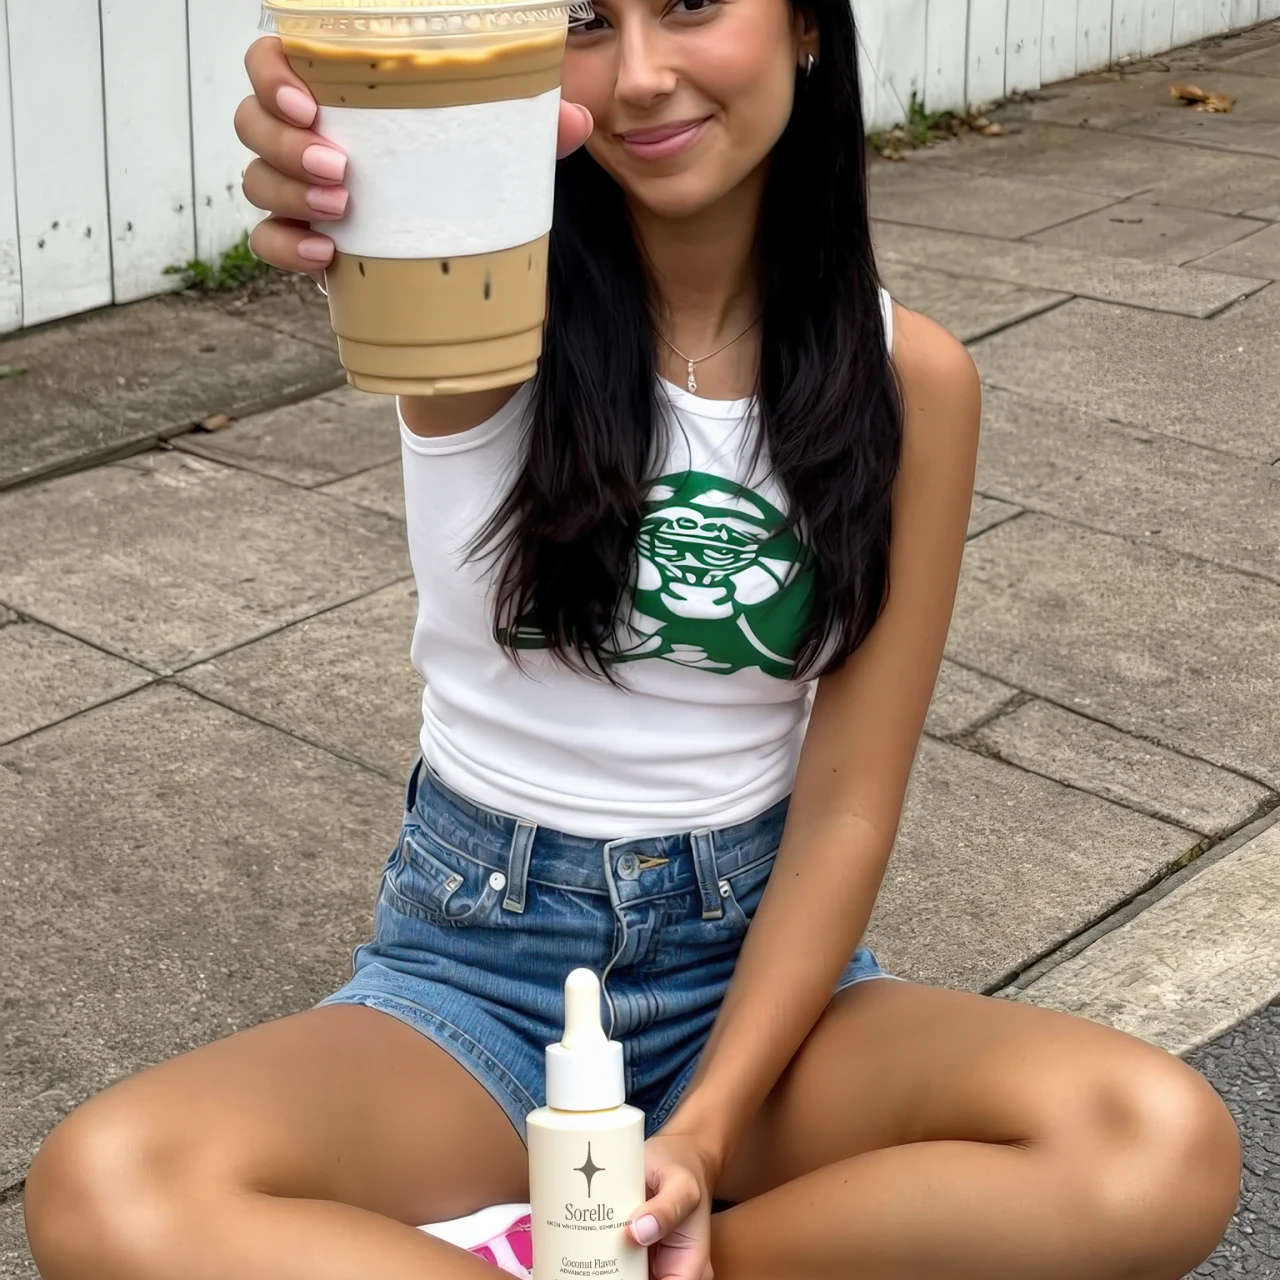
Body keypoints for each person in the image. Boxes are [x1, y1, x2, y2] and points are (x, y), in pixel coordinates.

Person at [25, 3, 1241, 1278]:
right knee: (113, 1190)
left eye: (691, 6)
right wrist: (335, 130)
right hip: (480, 983)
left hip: (755, 987)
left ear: (806, 28)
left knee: (1149, 1144)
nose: (642, 76)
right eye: (586, 22)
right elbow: (379, 130)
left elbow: (842, 809)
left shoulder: (910, 387)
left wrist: (707, 1135)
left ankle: (596, 1252)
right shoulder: (478, 311)